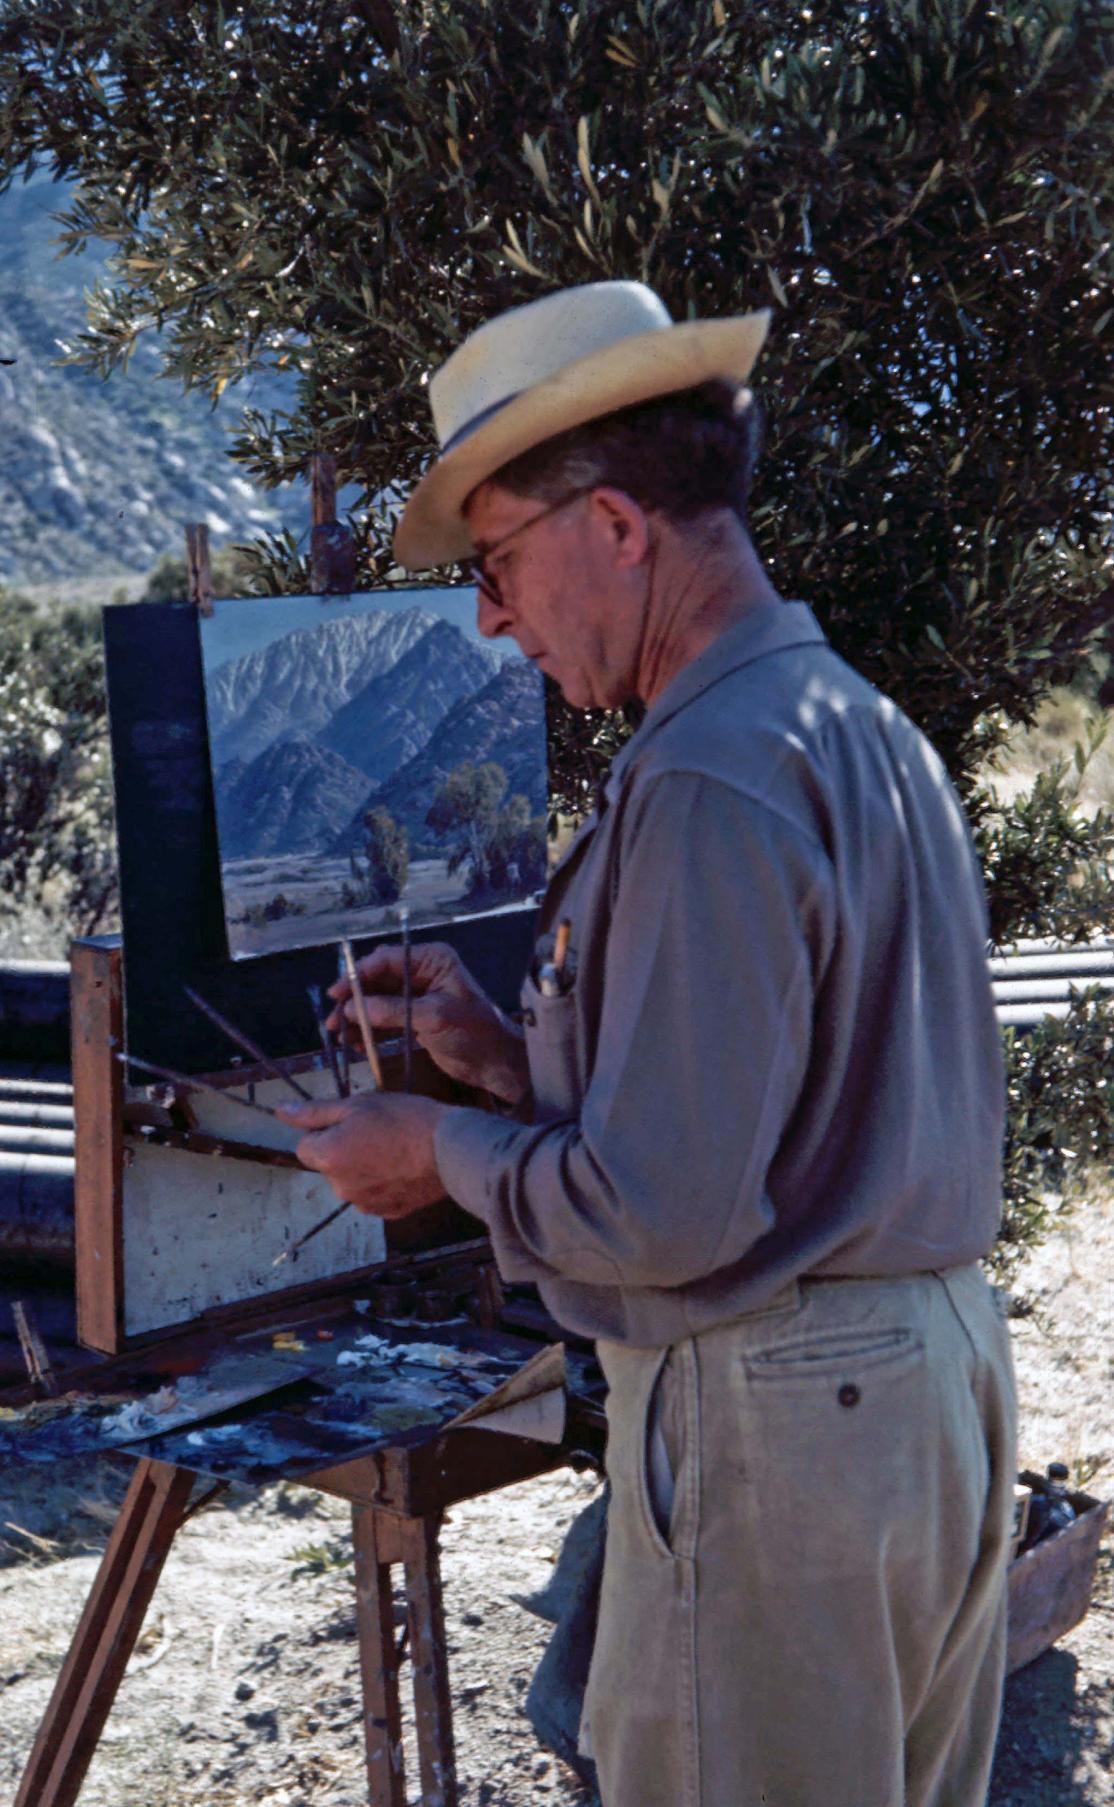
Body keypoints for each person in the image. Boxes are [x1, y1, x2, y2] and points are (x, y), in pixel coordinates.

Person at [279, 281, 1017, 1807]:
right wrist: (503, 1061)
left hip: (783, 1420)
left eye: (495, 561)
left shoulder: (703, 775)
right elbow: (806, 1098)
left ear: (614, 528)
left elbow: (669, 1208)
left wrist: (438, 1149)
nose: (487, 614)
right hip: (921, 1391)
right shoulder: (846, 723)